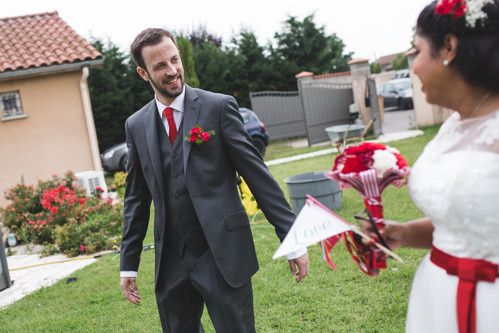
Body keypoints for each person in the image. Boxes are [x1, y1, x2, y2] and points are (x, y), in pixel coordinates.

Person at [119, 28, 309, 333]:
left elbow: (257, 176)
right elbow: (136, 201)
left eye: (174, 60)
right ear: (143, 73)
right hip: (171, 262)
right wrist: (128, 263)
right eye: (160, 66)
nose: (172, 71)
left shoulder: (217, 107)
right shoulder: (136, 125)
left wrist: (292, 239)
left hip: (222, 253)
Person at [363, 1, 499, 332]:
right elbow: (467, 220)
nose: (414, 66)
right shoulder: (453, 127)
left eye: (417, 50)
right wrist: (405, 233)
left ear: (449, 48)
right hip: (436, 298)